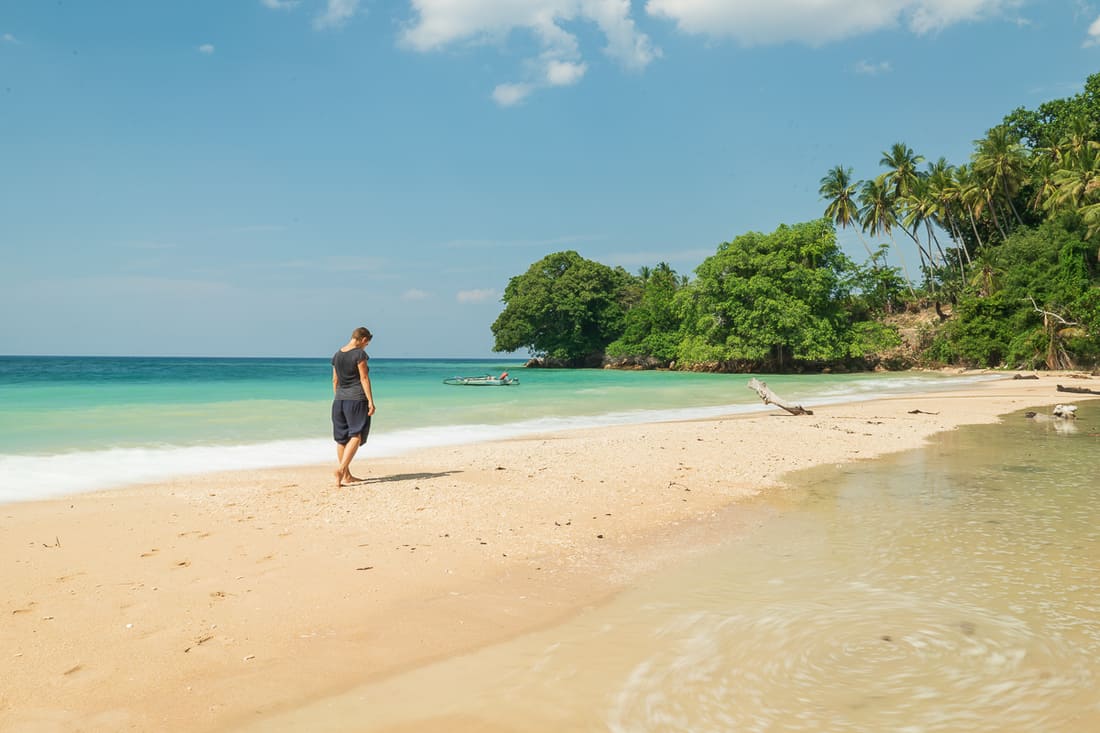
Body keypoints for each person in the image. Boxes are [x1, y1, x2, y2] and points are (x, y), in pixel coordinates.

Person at [331, 326, 375, 488]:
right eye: (367, 344)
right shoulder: (359, 354)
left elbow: (335, 381)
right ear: (363, 340)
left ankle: (346, 476)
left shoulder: (337, 355)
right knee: (356, 435)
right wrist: (370, 401)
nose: (366, 347)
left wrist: (339, 396)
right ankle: (341, 470)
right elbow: (364, 378)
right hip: (356, 399)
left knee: (342, 438)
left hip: (339, 401)